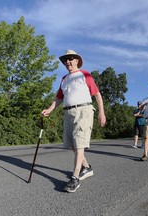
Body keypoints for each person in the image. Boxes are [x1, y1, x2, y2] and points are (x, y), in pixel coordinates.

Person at [41, 50, 106, 192]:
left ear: (77, 60)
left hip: (84, 110)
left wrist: (101, 112)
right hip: (68, 112)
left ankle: (75, 177)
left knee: (79, 144)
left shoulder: (85, 74)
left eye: (70, 59)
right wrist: (49, 109)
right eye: (65, 60)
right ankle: (87, 168)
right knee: (72, 144)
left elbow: (97, 94)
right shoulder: (64, 79)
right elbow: (58, 98)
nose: (67, 62)